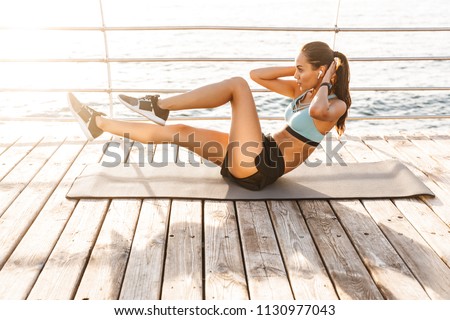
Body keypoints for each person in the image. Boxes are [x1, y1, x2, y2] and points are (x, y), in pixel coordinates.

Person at [68, 41, 351, 191]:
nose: (296, 75)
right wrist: (298, 70)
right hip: (255, 153)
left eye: (301, 69)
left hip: (262, 165)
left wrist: (325, 78)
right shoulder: (301, 91)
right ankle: (98, 123)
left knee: (236, 86)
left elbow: (317, 111)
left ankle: (159, 106)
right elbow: (258, 76)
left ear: (322, 71)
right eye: (296, 69)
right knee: (177, 131)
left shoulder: (334, 105)